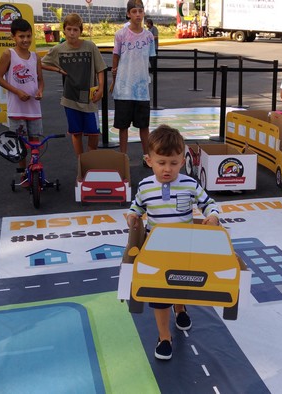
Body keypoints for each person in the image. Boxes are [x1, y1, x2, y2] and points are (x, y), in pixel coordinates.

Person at [126, 124, 220, 360]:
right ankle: (164, 336)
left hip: (185, 246)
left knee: (181, 282)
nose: (167, 169)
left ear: (183, 159)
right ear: (149, 160)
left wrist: (213, 216)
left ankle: (180, 307)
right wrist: (132, 216)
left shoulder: (189, 184)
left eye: (174, 163)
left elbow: (208, 203)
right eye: (161, 163)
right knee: (159, 292)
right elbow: (136, 206)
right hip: (156, 249)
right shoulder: (146, 186)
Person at [41, 13, 107, 158]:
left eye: (75, 30)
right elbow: (41, 63)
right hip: (70, 98)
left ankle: (91, 160)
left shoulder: (90, 46)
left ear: (80, 31)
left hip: (89, 98)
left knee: (93, 132)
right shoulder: (59, 49)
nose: (72, 33)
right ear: (64, 30)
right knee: (76, 132)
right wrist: (58, 69)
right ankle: (81, 161)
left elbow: (100, 68)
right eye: (69, 29)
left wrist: (101, 88)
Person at [0, 18, 44, 179]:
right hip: (17, 108)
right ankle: (23, 173)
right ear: (13, 37)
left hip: (33, 109)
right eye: (21, 36)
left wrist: (40, 91)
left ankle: (34, 169)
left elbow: (40, 80)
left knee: (35, 142)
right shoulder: (9, 54)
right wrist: (17, 92)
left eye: (28, 36)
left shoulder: (35, 56)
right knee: (19, 142)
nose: (25, 40)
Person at [112, 0, 155, 166]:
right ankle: (123, 157)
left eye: (140, 11)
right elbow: (116, 56)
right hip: (123, 88)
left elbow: (149, 59)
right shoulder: (120, 34)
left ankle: (147, 156)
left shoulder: (149, 36)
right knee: (123, 126)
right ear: (128, 14)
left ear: (144, 13)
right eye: (134, 11)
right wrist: (114, 80)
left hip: (142, 89)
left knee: (143, 126)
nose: (138, 14)